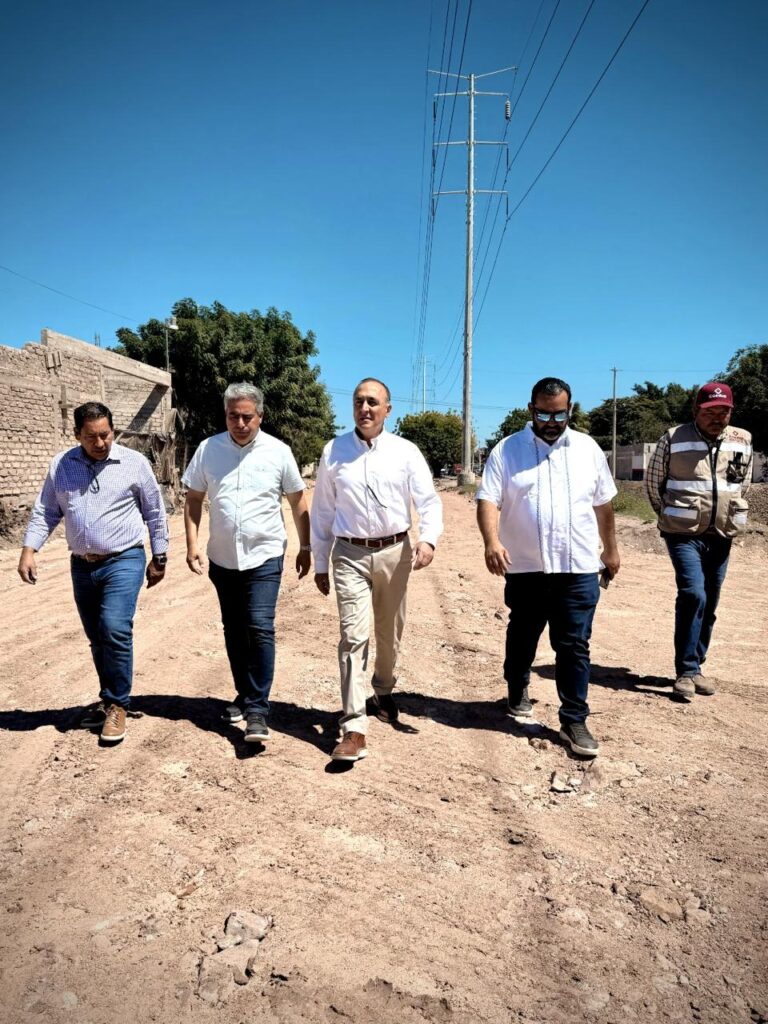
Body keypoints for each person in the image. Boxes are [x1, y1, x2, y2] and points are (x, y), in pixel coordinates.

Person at [476, 377, 620, 757]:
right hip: (526, 566)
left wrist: (611, 550)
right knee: (523, 634)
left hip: (578, 565)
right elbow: (487, 500)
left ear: (570, 410)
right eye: (543, 414)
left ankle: (574, 719)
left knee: (574, 644)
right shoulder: (507, 450)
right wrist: (491, 542)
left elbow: (603, 504)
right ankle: (517, 684)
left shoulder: (588, 449)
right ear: (531, 410)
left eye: (559, 415)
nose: (551, 422)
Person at [18, 401, 168, 743]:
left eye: (106, 435)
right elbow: (46, 511)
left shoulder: (134, 463)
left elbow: (155, 512)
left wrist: (159, 556)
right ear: (77, 435)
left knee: (114, 627)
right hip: (82, 565)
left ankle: (118, 705)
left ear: (113, 431)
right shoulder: (62, 464)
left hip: (124, 559)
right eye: (91, 437)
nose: (100, 443)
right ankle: (108, 699)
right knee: (96, 635)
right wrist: (29, 549)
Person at [311, 378, 443, 762]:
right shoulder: (334, 451)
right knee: (353, 637)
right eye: (358, 402)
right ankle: (354, 728)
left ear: (388, 409)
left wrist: (428, 540)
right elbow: (323, 511)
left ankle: (383, 689)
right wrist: (320, 561)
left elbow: (429, 501)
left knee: (389, 634)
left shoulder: (406, 451)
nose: (364, 408)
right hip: (349, 553)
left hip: (396, 552)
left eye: (372, 402)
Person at [183, 383, 311, 742]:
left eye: (246, 417)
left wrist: (306, 546)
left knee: (259, 626)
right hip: (222, 557)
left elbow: (298, 502)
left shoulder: (278, 452)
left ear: (260, 416)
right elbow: (193, 499)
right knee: (234, 628)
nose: (239, 424)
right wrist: (192, 544)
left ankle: (257, 709)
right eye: (232, 416)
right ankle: (243, 693)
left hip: (265, 554)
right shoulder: (208, 449)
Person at [645, 382, 752, 701]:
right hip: (683, 533)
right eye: (710, 412)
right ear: (696, 411)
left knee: (711, 601)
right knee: (693, 594)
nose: (717, 418)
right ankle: (686, 670)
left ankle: (695, 668)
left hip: (722, 533)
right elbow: (654, 483)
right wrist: (670, 515)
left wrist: (727, 512)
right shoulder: (674, 437)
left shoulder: (743, 439)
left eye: (724, 411)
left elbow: (741, 485)